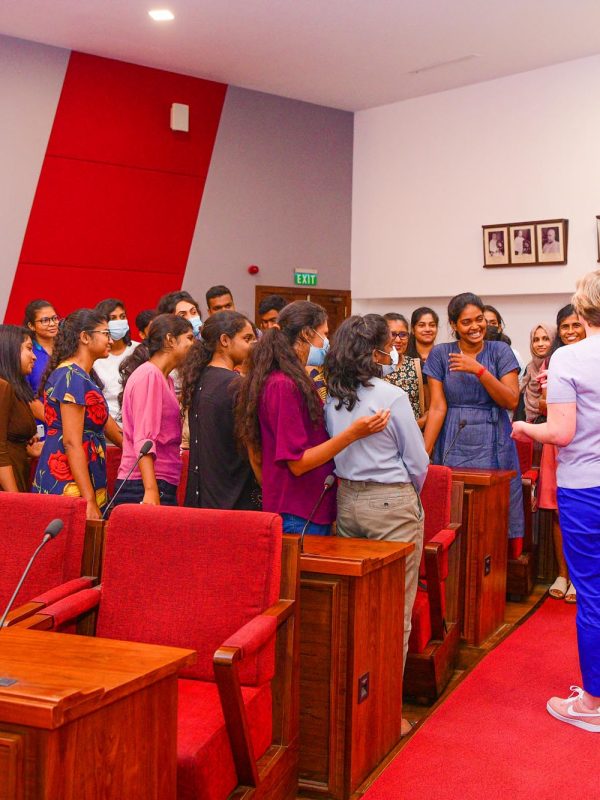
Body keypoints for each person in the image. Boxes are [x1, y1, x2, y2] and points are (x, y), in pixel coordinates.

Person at [512, 270, 600, 732]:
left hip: (587, 485)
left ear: (582, 311)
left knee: (593, 594)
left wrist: (525, 427)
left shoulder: (570, 357)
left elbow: (561, 432)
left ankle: (593, 703)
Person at [324, 314, 429, 697]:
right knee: (393, 612)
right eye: (388, 346)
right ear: (374, 352)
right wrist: (409, 496)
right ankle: (387, 710)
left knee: (360, 607)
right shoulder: (390, 395)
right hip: (390, 503)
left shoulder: (333, 395)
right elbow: (417, 460)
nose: (393, 352)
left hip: (348, 500)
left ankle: (360, 702)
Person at [235, 300, 390, 534]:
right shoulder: (283, 385)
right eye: (324, 334)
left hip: (309, 504)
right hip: (298, 509)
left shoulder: (295, 378)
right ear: (307, 334)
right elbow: (298, 463)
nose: (326, 342)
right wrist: (353, 433)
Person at [423, 293, 524, 549]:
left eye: (479, 319)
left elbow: (511, 400)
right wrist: (423, 454)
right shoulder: (440, 354)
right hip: (453, 438)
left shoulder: (499, 351)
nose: (475, 327)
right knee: (454, 513)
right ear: (454, 325)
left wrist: (479, 370)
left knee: (491, 515)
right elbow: (437, 407)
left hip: (494, 439)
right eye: (466, 322)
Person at [32, 309, 123, 519]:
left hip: (83, 475)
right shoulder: (71, 376)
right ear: (84, 337)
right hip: (68, 481)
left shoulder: (80, 375)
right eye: (105, 333)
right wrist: (88, 500)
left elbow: (105, 424)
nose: (111, 340)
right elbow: (72, 442)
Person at [180, 311, 260, 510]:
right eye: (247, 338)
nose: (253, 345)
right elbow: (253, 451)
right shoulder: (236, 385)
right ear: (225, 340)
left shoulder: (199, 379)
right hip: (234, 499)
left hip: (204, 499)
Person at [114, 314, 194, 507]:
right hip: (145, 483)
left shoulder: (166, 378)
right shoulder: (149, 375)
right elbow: (145, 438)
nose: (194, 345)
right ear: (170, 340)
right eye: (189, 338)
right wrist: (150, 491)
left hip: (161, 480)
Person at [537, 304, 586, 603]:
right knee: (558, 510)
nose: (570, 331)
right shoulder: (553, 360)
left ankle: (582, 578)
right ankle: (562, 573)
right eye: (565, 327)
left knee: (585, 510)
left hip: (586, 440)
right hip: (556, 441)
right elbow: (543, 404)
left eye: (575, 325)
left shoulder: (591, 357)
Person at [0, 325, 39, 492]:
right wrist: (14, 498)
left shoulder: (16, 389)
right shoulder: (2, 386)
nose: (34, 357)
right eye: (29, 349)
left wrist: (26, 448)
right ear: (10, 351)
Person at [93, 298, 139, 425]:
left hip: (137, 423)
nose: (119, 322)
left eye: (122, 317)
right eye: (113, 318)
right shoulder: (96, 357)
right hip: (105, 424)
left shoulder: (139, 350)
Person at [383, 312, 427, 428]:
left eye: (403, 334)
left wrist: (416, 426)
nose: (398, 340)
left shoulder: (417, 365)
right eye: (392, 334)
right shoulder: (371, 368)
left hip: (414, 432)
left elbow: (431, 407)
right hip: (382, 435)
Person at [23, 299, 60, 423]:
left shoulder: (67, 348)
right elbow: (27, 396)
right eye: (45, 320)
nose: (52, 323)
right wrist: (57, 423)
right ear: (31, 326)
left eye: (54, 318)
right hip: (43, 424)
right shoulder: (28, 353)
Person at [518, 322, 555, 423]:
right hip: (529, 424)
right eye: (536, 340)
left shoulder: (558, 367)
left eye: (546, 339)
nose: (540, 344)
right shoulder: (530, 367)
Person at [483, 304, 525, 374]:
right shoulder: (472, 354)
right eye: (485, 322)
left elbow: (520, 378)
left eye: (493, 323)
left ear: (499, 328)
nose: (489, 326)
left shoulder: (512, 354)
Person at [406, 307, 439, 372]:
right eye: (421, 325)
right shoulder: (404, 358)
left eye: (432, 325)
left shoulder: (443, 356)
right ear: (413, 329)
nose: (427, 329)